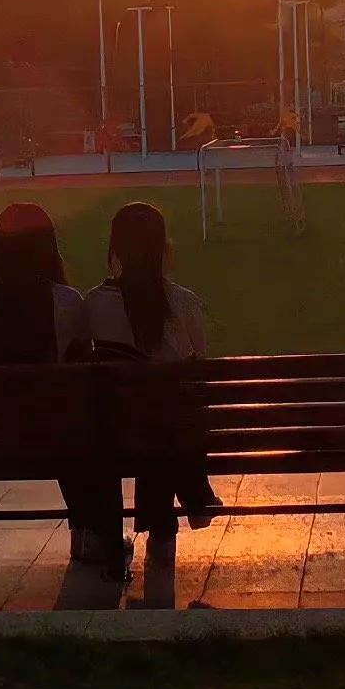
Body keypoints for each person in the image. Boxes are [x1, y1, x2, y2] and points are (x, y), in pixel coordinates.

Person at [84, 201, 220, 547]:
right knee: (166, 413)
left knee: (146, 414)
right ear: (163, 248)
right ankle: (193, 492)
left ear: (115, 248)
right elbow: (200, 369)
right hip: (170, 437)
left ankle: (166, 514)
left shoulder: (93, 305)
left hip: (115, 436)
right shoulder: (184, 303)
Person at [0, 204, 103, 559]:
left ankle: (87, 531)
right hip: (56, 436)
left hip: (0, 435)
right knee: (87, 421)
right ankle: (92, 534)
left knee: (61, 417)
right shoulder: (65, 301)